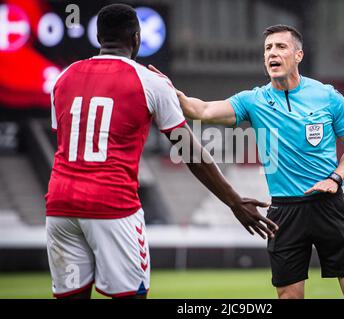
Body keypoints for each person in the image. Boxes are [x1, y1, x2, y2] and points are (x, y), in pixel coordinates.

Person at [45, 4, 277, 299]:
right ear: (137, 38)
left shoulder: (63, 78)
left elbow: (64, 142)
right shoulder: (151, 82)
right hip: (112, 206)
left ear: (99, 37)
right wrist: (234, 201)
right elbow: (189, 151)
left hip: (60, 206)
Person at [152, 24, 344, 299]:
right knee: (288, 297)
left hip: (330, 206)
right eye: (268, 48)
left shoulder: (327, 96)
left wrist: (335, 179)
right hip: (284, 211)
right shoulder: (253, 100)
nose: (272, 53)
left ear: (298, 55)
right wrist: (177, 96)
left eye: (280, 47)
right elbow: (203, 110)